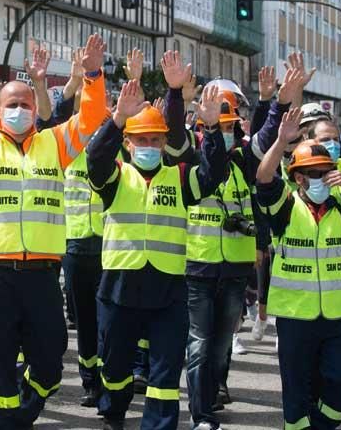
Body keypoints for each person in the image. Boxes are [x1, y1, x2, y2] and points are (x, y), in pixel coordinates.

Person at [0, 11, 108, 430]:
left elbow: (90, 117)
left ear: (37, 109)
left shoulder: (55, 143)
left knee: (50, 362)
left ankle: (22, 414)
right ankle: (7, 422)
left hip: (42, 273)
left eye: (25, 104)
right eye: (11, 104)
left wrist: (93, 74)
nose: (19, 110)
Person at [87, 78, 227, 430]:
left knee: (165, 373)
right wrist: (117, 118)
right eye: (141, 140)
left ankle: (159, 425)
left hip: (167, 291)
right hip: (120, 287)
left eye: (155, 139)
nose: (148, 145)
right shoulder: (116, 177)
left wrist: (211, 128)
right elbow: (95, 157)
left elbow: (214, 174)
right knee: (116, 367)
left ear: (165, 142)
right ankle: (114, 411)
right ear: (128, 143)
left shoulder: (180, 178)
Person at [183, 68, 299, 430]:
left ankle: (215, 388)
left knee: (220, 346)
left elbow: (265, 140)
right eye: (222, 125)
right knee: (200, 345)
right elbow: (204, 161)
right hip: (198, 269)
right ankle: (201, 413)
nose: (230, 131)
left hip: (234, 269)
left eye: (233, 125)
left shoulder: (244, 162)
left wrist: (276, 102)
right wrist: (192, 108)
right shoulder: (191, 160)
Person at [256, 108, 341, 430]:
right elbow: (264, 178)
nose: (321, 179)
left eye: (326, 171)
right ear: (298, 178)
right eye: (313, 173)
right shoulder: (285, 207)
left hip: (339, 314)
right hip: (296, 315)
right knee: (297, 393)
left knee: (340, 380)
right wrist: (281, 141)